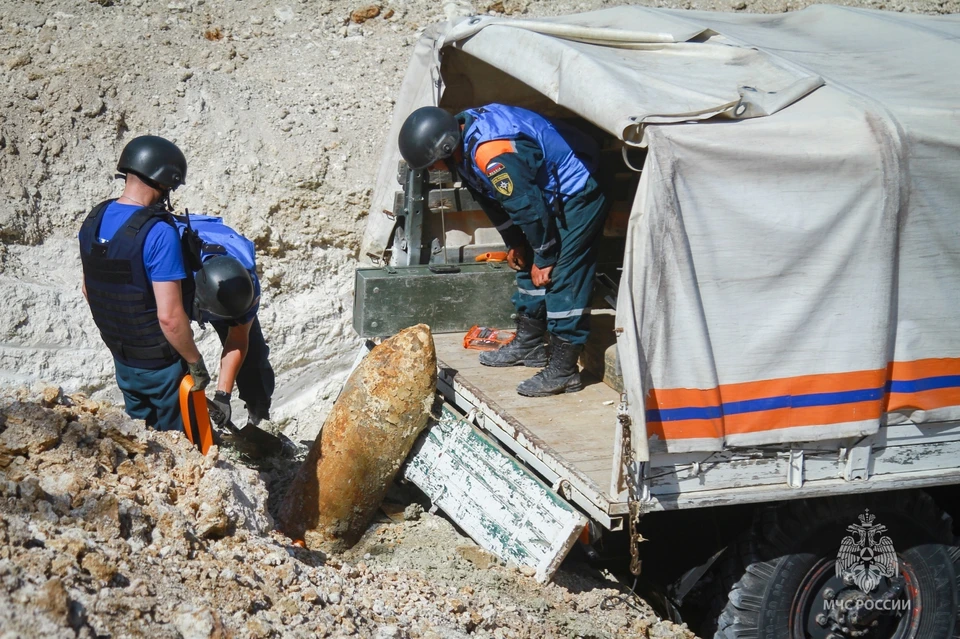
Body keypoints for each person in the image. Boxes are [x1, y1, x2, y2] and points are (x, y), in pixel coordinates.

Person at [398, 103, 609, 396]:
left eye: (432, 164)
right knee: (525, 262)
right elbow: (492, 199)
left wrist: (546, 257)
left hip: (578, 189)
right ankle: (530, 345)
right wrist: (515, 242)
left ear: (446, 148)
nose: (433, 171)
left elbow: (526, 206)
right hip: (542, 194)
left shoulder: (491, 154)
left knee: (564, 274)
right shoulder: (462, 143)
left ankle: (564, 370)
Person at [79, 135, 210, 431]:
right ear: (165, 181)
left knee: (143, 442)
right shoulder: (159, 233)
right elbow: (170, 318)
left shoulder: (93, 219)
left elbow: (89, 290)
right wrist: (195, 361)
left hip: (123, 362)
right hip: (161, 369)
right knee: (183, 450)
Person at [176, 214, 275, 430]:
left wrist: (223, 395)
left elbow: (238, 339)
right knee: (171, 363)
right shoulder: (175, 273)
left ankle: (259, 418)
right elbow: (170, 323)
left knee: (254, 354)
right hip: (189, 283)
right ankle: (185, 426)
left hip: (218, 288)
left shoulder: (246, 286)